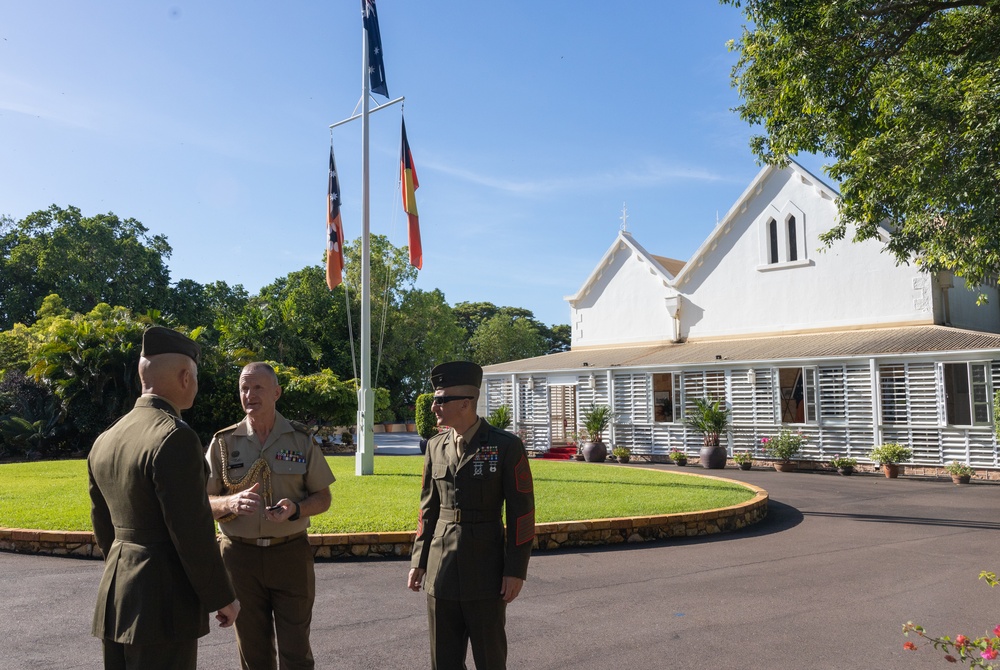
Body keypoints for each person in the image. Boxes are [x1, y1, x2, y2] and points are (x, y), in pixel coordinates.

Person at [88, 326, 240, 670]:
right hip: (162, 604)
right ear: (186, 377)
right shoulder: (174, 437)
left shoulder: (106, 438)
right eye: (196, 377)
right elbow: (191, 530)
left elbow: (104, 529)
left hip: (116, 596)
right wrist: (222, 596)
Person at [206, 362, 335, 670]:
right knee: (253, 653)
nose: (249, 395)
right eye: (244, 388)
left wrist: (296, 508)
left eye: (258, 387)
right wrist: (230, 502)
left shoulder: (300, 440)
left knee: (296, 651)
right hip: (239, 558)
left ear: (276, 392)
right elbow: (203, 502)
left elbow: (323, 497)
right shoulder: (223, 442)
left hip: (289, 554)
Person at [407, 361, 536, 670]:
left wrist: (515, 570)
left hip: (486, 571)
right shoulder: (435, 447)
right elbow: (428, 509)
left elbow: (522, 514)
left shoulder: (506, 446)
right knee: (444, 660)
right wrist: (419, 560)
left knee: (490, 658)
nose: (434, 406)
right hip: (441, 570)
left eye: (441, 399)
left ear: (465, 402)